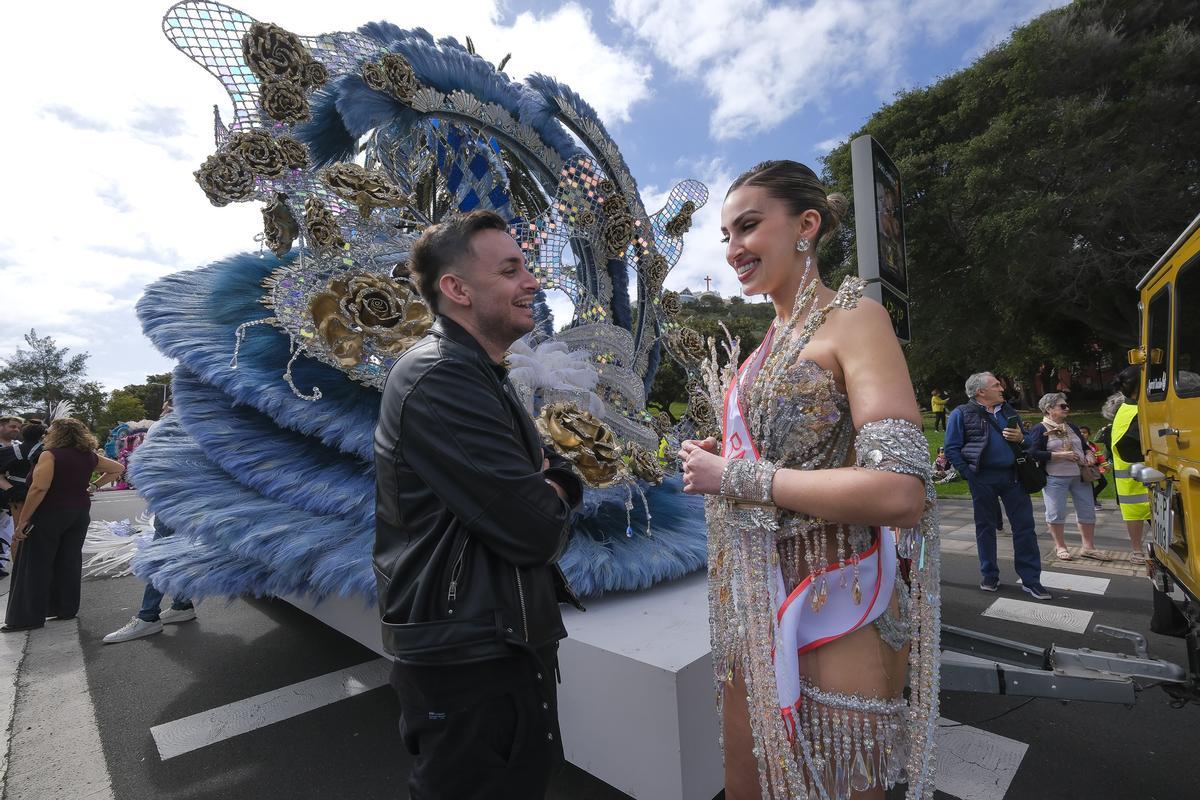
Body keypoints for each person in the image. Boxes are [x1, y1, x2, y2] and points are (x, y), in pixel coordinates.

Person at [680, 160, 939, 799]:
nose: (735, 248)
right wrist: (727, 462)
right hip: (752, 606)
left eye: (748, 227)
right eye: (726, 237)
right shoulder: (758, 352)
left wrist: (738, 474)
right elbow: (775, 460)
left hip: (836, 601)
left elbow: (901, 491)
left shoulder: (855, 320)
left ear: (807, 224)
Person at [374, 209, 584, 798]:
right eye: (511, 269)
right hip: (469, 654)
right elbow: (536, 529)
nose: (533, 282)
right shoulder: (441, 377)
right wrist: (546, 486)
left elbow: (562, 474)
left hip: (497, 639)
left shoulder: (482, 375)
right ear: (457, 289)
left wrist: (550, 481)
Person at [3, 418, 124, 632]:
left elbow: (39, 488)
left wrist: (23, 520)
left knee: (35, 563)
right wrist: (94, 485)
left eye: (49, 431)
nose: (45, 435)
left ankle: (27, 617)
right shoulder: (88, 456)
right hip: (79, 513)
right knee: (68, 560)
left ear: (57, 434)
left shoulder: (50, 455)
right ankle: (65, 608)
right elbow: (118, 468)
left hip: (50, 513)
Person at [944, 372, 1049, 599]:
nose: (1002, 388)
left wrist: (1021, 438)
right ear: (981, 391)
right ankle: (989, 575)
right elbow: (951, 448)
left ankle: (1031, 580)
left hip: (1013, 477)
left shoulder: (1009, 411)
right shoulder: (961, 414)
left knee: (1025, 529)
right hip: (982, 479)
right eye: (996, 385)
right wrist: (970, 476)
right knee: (986, 528)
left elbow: (1029, 442)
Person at [103, 404, 197, 644]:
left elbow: (155, 461)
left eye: (167, 406)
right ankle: (182, 604)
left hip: (173, 499)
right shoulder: (198, 421)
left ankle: (148, 618)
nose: (163, 409)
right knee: (175, 554)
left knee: (160, 556)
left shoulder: (171, 424)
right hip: (183, 500)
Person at [1025, 393, 1108, 562]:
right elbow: (1032, 453)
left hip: (1080, 475)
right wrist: (1060, 456)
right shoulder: (1040, 429)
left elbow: (1085, 446)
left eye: (1067, 405)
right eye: (1062, 406)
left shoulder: (1071, 426)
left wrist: (1089, 454)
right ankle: (1060, 546)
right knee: (1056, 513)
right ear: (1049, 409)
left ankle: (1088, 548)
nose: (1067, 408)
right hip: (1054, 478)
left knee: (1087, 510)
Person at [1110, 366, 1148, 565]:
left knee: (1140, 513)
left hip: (1135, 476)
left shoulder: (1129, 407)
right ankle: (1137, 551)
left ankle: (1140, 550)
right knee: (1137, 513)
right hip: (1136, 475)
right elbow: (1128, 445)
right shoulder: (1135, 411)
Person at [0, 416, 23, 576]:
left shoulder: (19, 447)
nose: (16, 430)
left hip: (11, 496)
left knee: (7, 529)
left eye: (18, 428)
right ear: (1, 426)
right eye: (12, 426)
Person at [1077, 425, 1108, 510]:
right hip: (1084, 468)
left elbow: (1100, 456)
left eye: (1084, 432)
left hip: (1095, 468)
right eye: (1080, 432)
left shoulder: (1093, 445)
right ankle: (1092, 502)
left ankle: (1092, 497)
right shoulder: (1077, 445)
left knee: (1103, 482)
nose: (1082, 434)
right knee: (1089, 485)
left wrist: (1105, 466)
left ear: (1089, 434)